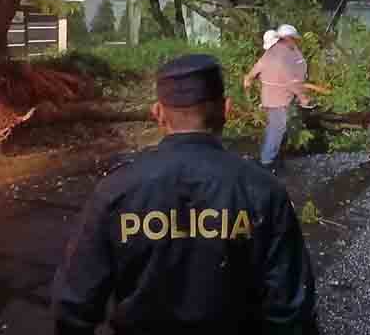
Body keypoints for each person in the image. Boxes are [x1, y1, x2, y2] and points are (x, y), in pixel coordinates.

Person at [52, 54, 317, 335]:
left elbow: (74, 304)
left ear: (158, 113)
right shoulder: (263, 190)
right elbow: (291, 308)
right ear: (227, 109)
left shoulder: (116, 190)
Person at [243, 24, 311, 172]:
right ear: (289, 38)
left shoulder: (275, 51)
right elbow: (290, 81)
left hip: (274, 98)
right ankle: (267, 163)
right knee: (276, 130)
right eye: (294, 40)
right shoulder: (281, 56)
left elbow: (258, 66)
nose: (296, 42)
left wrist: (249, 77)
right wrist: (303, 97)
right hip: (278, 100)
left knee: (275, 128)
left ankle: (272, 157)